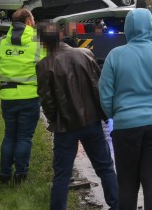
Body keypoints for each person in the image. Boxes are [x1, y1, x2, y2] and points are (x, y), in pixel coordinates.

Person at [99, 8, 152, 210]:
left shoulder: (115, 56)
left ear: (127, 29)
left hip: (126, 127)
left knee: (127, 184)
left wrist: (115, 114)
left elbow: (105, 94)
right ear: (150, 27)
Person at [35, 21, 118, 210]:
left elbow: (46, 100)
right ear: (61, 35)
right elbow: (99, 88)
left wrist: (54, 120)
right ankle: (116, 205)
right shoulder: (85, 54)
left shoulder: (43, 65)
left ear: (42, 42)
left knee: (62, 175)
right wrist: (104, 114)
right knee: (105, 168)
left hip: (64, 127)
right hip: (91, 121)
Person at [0, 8, 45, 184]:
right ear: (28, 22)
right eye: (33, 19)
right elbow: (46, 68)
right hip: (29, 97)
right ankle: (20, 176)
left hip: (7, 97)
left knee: (9, 136)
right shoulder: (37, 42)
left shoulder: (1, 43)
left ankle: (4, 174)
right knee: (24, 137)